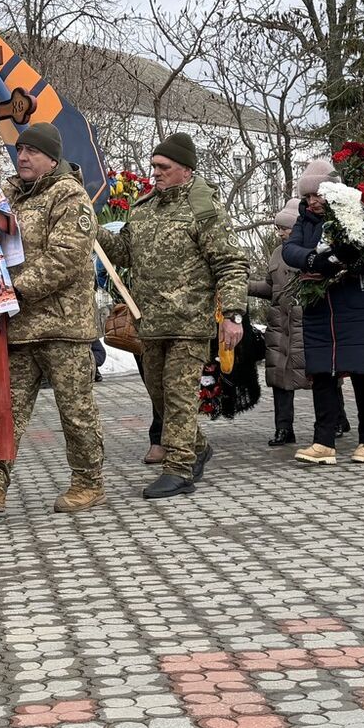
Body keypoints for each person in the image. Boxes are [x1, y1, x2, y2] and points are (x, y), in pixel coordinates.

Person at [0, 122, 107, 514]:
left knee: (76, 410)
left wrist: (15, 290)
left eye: (32, 152)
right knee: (6, 407)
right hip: (17, 328)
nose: (23, 157)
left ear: (52, 159)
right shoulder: (7, 198)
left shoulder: (69, 196)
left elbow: (65, 258)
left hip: (62, 326)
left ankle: (88, 482)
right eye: (20, 151)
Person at [99, 131, 249, 498]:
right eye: (153, 166)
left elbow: (231, 264)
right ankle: (196, 446)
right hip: (148, 323)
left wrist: (233, 314)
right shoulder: (144, 208)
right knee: (160, 397)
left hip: (189, 323)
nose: (156, 173)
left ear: (186, 169)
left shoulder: (203, 210)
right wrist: (93, 230)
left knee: (180, 396)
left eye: (163, 167)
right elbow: (123, 253)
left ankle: (179, 468)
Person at [284, 161, 364, 465]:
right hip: (320, 309)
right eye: (307, 198)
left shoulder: (355, 214)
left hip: (359, 307)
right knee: (323, 374)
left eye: (317, 195)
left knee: (363, 374)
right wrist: (318, 260)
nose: (312, 202)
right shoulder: (305, 220)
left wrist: (343, 258)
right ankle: (323, 442)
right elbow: (291, 250)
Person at [247, 200, 306, 448]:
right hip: (279, 325)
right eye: (279, 228)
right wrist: (244, 285)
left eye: (285, 228)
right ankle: (284, 428)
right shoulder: (276, 253)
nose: (281, 233)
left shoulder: (310, 250)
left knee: (320, 376)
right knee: (280, 377)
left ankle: (336, 420)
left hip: (305, 324)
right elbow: (271, 288)